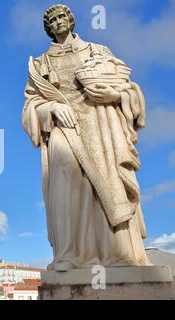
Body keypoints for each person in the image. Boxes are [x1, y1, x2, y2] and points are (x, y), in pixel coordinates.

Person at [22, 4, 151, 271]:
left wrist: (115, 97)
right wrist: (51, 108)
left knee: (110, 183)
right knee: (66, 184)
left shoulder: (98, 51)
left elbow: (129, 88)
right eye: (52, 20)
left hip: (102, 125)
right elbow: (30, 105)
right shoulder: (40, 64)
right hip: (63, 128)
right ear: (48, 27)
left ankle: (118, 254)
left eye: (62, 17)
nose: (58, 22)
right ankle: (71, 255)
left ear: (70, 21)